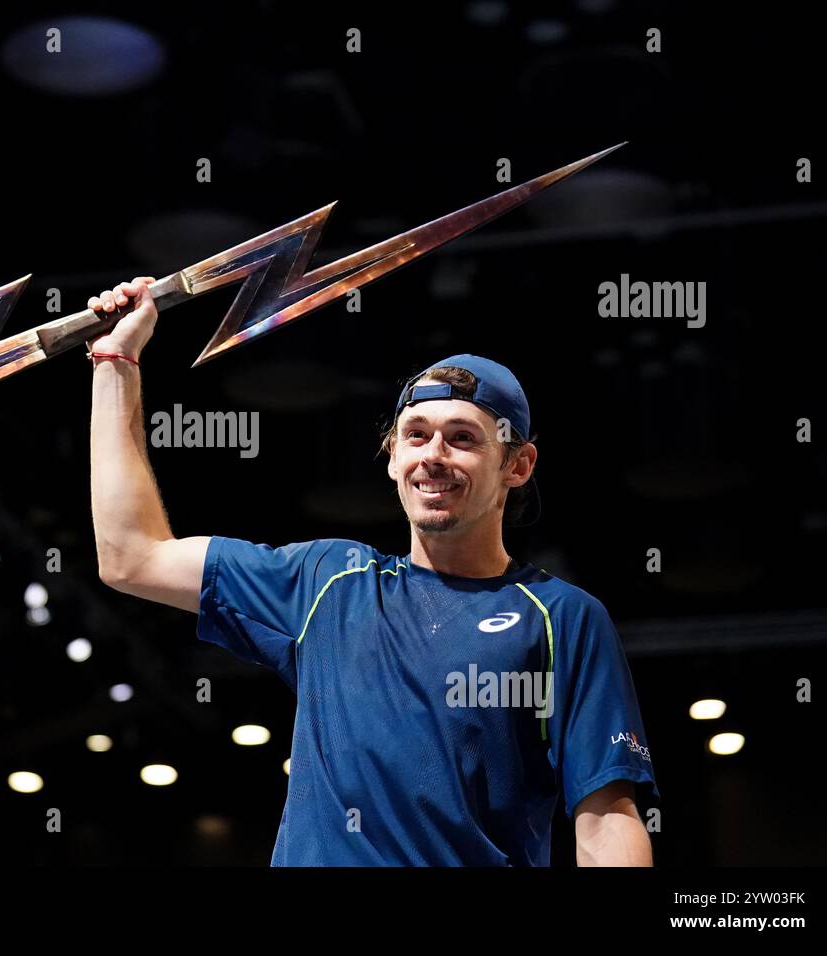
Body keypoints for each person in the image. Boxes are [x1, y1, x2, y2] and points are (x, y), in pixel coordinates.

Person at [87, 276, 658, 866]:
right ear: (392, 458)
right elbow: (133, 556)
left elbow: (606, 821)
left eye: (463, 439)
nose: (432, 455)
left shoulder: (561, 616)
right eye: (415, 436)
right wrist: (116, 360)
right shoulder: (327, 581)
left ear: (518, 464)